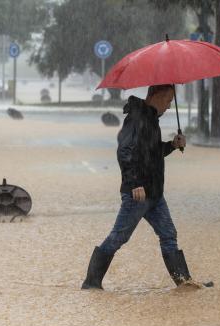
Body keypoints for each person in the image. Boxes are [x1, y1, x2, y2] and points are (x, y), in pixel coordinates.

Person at [81, 84, 195, 290]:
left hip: (155, 193)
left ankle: (185, 283)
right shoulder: (136, 119)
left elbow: (151, 153)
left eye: (171, 101)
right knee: (119, 237)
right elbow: (125, 152)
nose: (169, 106)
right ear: (154, 95)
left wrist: (171, 145)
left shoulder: (151, 120)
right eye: (168, 100)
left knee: (169, 234)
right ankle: (91, 283)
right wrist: (135, 184)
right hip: (139, 194)